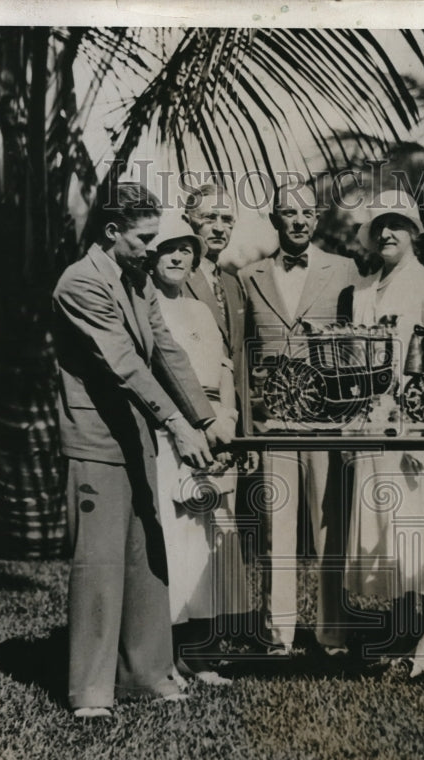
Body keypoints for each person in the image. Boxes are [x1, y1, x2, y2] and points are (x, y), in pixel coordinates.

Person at [53, 181, 233, 719]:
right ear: (112, 232)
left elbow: (168, 353)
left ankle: (147, 675)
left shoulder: (137, 281)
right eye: (144, 239)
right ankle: (91, 692)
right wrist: (178, 425)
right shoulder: (80, 282)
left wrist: (205, 419)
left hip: (137, 435)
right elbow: (124, 363)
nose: (153, 249)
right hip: (95, 440)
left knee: (146, 556)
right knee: (100, 563)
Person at [342, 190, 424, 678]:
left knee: (423, 531)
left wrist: (420, 432)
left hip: (418, 426)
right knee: (388, 532)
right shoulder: (362, 291)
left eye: (397, 224)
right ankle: (399, 631)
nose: (388, 233)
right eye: (380, 226)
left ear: (414, 231)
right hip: (373, 424)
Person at [239, 178, 357, 657]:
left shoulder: (344, 269)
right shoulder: (249, 276)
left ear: (318, 218)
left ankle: (333, 633)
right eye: (290, 213)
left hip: (326, 421)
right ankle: (278, 634)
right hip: (272, 423)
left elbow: (354, 348)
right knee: (275, 528)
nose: (299, 221)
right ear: (275, 219)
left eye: (307, 212)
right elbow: (242, 354)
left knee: (330, 527)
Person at [145, 214, 252, 686]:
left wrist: (226, 419)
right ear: (151, 256)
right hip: (172, 435)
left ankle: (200, 656)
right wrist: (193, 426)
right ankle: (165, 656)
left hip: (215, 432)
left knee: (211, 545)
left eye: (186, 249)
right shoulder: (145, 305)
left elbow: (224, 368)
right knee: (176, 545)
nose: (177, 257)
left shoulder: (200, 310)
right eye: (168, 249)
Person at [183, 183, 248, 381]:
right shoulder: (176, 279)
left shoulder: (232, 283)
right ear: (187, 221)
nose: (219, 228)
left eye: (226, 220)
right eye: (209, 218)